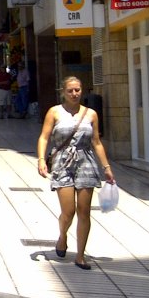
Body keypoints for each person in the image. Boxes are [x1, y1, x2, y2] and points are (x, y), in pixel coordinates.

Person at [36, 76, 115, 270]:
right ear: (63, 91)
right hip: (62, 163)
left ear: (82, 90)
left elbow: (96, 142)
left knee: (84, 211)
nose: (74, 94)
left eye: (78, 90)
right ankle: (62, 237)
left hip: (86, 162)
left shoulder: (91, 114)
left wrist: (106, 168)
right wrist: (40, 160)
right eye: (70, 90)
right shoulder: (54, 112)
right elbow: (44, 137)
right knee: (68, 211)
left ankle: (80, 256)